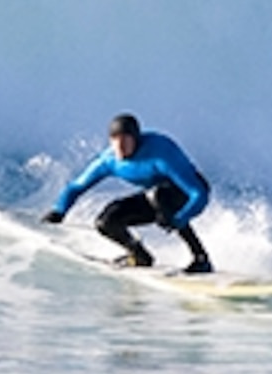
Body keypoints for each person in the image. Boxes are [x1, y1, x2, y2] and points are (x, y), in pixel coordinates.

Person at [45, 112, 214, 272]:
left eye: (126, 139)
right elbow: (76, 187)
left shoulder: (160, 153)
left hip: (186, 193)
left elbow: (199, 194)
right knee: (106, 221)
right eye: (115, 139)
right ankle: (139, 256)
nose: (120, 146)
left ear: (136, 140)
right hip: (155, 199)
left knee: (158, 196)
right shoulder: (109, 160)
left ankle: (201, 259)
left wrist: (180, 218)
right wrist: (58, 212)